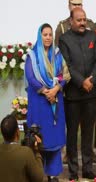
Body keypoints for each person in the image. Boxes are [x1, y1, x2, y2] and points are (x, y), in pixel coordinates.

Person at [59, 8, 96, 181]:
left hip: (91, 93)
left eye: (84, 19)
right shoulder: (64, 39)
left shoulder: (93, 36)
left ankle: (88, 168)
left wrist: (91, 79)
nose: (83, 23)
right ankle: (73, 171)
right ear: (71, 21)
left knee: (88, 133)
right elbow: (67, 65)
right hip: (73, 95)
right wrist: (81, 81)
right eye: (79, 20)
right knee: (72, 134)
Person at [25, 23, 70, 182]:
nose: (48, 37)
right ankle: (36, 174)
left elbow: (64, 75)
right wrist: (46, 92)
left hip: (55, 104)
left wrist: (55, 90)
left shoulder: (57, 54)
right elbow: (31, 77)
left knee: (54, 140)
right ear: (40, 36)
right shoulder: (32, 56)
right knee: (39, 139)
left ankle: (53, 174)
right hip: (39, 104)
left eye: (50, 34)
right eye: (45, 34)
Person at [0, 114, 44, 182]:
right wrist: (37, 152)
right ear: (17, 132)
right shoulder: (26, 152)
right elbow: (39, 178)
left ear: (2, 134)